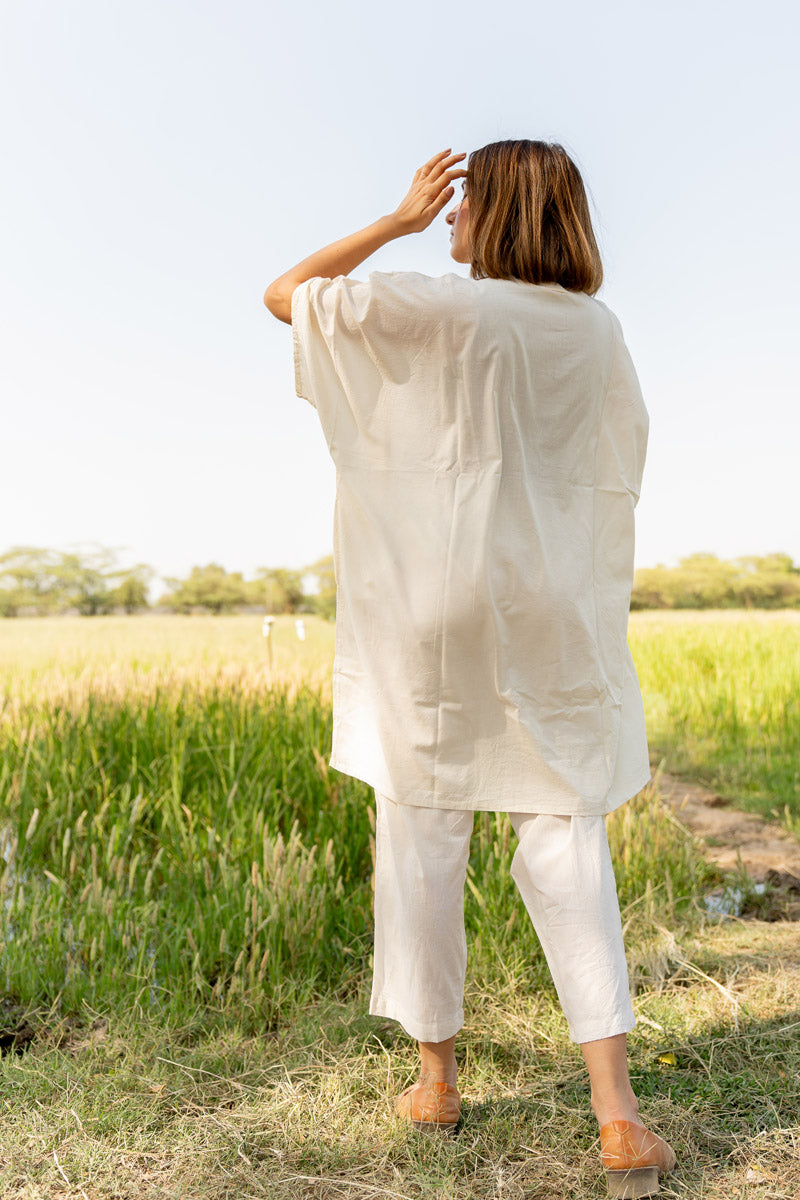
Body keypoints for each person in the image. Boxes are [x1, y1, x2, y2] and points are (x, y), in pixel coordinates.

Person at [264, 141, 677, 1198]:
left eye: (457, 210)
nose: (446, 226)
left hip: (435, 612)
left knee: (422, 832)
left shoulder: (448, 309)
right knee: (563, 838)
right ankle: (618, 1116)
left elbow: (287, 295)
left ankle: (435, 1083)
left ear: (489, 213)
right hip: (551, 610)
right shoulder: (595, 330)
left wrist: (393, 220)